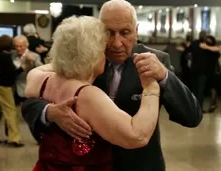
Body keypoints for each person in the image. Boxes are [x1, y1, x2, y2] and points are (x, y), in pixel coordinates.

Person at [22, 0, 202, 170]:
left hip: (138, 165)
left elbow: (192, 116)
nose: (116, 43)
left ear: (136, 31)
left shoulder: (156, 61)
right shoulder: (84, 60)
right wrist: (50, 112)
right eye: (109, 33)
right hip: (89, 164)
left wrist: (164, 76)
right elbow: (31, 102)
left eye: (125, 32)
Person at [26, 15, 161, 171]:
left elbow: (41, 70)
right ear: (92, 56)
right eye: (102, 51)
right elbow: (137, 136)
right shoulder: (88, 95)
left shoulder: (39, 78)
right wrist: (152, 88)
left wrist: (69, 57)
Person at [0, 35, 24, 147]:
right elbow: (12, 74)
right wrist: (23, 67)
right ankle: (14, 138)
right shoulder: (6, 57)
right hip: (4, 86)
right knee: (11, 111)